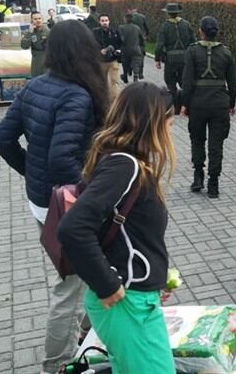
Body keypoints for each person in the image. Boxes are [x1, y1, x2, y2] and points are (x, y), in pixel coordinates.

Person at [0, 20, 109, 374]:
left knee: (89, 273)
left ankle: (91, 335)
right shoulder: (76, 94)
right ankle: (57, 364)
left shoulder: (36, 86)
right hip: (67, 205)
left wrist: (33, 175)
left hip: (44, 201)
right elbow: (62, 158)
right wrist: (87, 200)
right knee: (70, 287)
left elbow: (3, 139)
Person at [58, 82, 177, 374]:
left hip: (137, 299)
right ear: (152, 124)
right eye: (169, 123)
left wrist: (153, 277)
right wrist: (108, 283)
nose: (171, 132)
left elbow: (129, 233)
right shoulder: (125, 166)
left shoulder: (123, 160)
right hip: (127, 304)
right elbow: (73, 228)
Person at [180, 16, 236, 198]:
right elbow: (232, 83)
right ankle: (213, 183)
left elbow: (187, 81)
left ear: (201, 31)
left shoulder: (192, 51)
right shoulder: (226, 53)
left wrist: (184, 104)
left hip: (197, 104)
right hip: (220, 104)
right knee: (216, 144)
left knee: (197, 140)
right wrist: (232, 103)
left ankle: (198, 177)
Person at [154, 3, 194, 110]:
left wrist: (157, 59)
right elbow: (193, 41)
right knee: (184, 82)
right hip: (185, 58)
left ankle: (175, 106)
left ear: (167, 13)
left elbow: (159, 45)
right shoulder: (186, 24)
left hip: (170, 59)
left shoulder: (165, 26)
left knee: (170, 82)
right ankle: (186, 105)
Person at [93, 14, 124, 96]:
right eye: (102, 21)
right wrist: (99, 51)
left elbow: (121, 43)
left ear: (109, 21)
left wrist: (118, 50)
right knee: (101, 82)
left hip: (113, 60)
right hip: (101, 61)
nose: (105, 23)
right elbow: (91, 45)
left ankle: (114, 101)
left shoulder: (115, 31)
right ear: (99, 22)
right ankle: (103, 100)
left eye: (106, 20)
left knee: (114, 82)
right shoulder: (95, 32)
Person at [21, 11, 51, 78]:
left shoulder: (48, 32)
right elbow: (24, 46)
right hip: (36, 62)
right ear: (32, 20)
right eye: (35, 19)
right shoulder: (30, 32)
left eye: (39, 18)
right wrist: (30, 33)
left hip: (47, 62)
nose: (38, 21)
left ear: (42, 19)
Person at [118, 12, 145, 83]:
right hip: (136, 49)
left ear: (125, 19)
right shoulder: (137, 28)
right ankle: (135, 76)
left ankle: (125, 76)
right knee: (136, 62)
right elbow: (142, 39)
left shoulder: (121, 27)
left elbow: (120, 38)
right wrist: (142, 46)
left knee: (125, 63)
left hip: (125, 49)